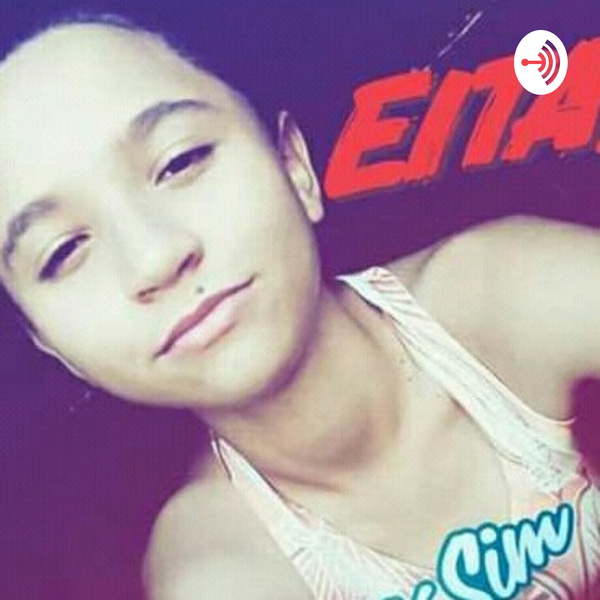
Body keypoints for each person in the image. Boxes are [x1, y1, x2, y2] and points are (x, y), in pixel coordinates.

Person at [0, 14, 598, 600]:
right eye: (63, 251)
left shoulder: (506, 294)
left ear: (294, 166)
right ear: (52, 346)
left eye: (180, 161)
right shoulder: (215, 572)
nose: (155, 257)